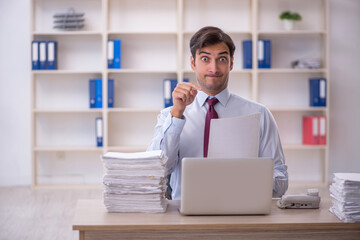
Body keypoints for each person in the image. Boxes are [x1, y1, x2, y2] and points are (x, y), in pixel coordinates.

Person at [148, 26, 288, 200]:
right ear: (193, 63)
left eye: (222, 59)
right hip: (186, 216)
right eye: (205, 59)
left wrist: (245, 181)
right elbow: (156, 172)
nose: (214, 68)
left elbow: (280, 180)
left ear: (231, 63)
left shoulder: (259, 114)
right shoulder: (170, 115)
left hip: (243, 212)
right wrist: (177, 114)